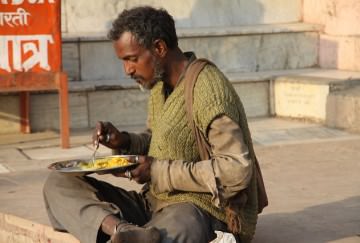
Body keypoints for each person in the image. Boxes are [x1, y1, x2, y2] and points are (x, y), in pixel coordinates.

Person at [43, 6, 267, 243]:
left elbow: (236, 171)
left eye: (132, 59)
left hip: (201, 209)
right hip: (154, 203)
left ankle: (141, 236)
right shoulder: (160, 88)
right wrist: (125, 142)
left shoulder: (208, 89)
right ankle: (123, 231)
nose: (127, 70)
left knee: (181, 224)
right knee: (58, 184)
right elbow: (160, 142)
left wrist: (157, 171)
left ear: (159, 48)